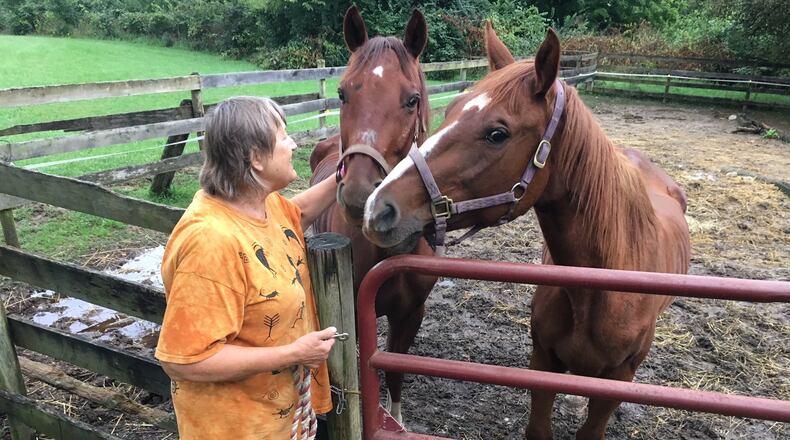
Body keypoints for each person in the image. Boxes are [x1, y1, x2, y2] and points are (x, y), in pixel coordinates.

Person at [155, 96, 339, 439]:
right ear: (255, 157)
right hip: (236, 428)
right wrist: (293, 353)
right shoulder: (210, 242)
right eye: (284, 136)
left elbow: (293, 217)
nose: (294, 143)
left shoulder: (259, 204)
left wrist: (342, 178)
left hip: (279, 418)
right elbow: (183, 360)